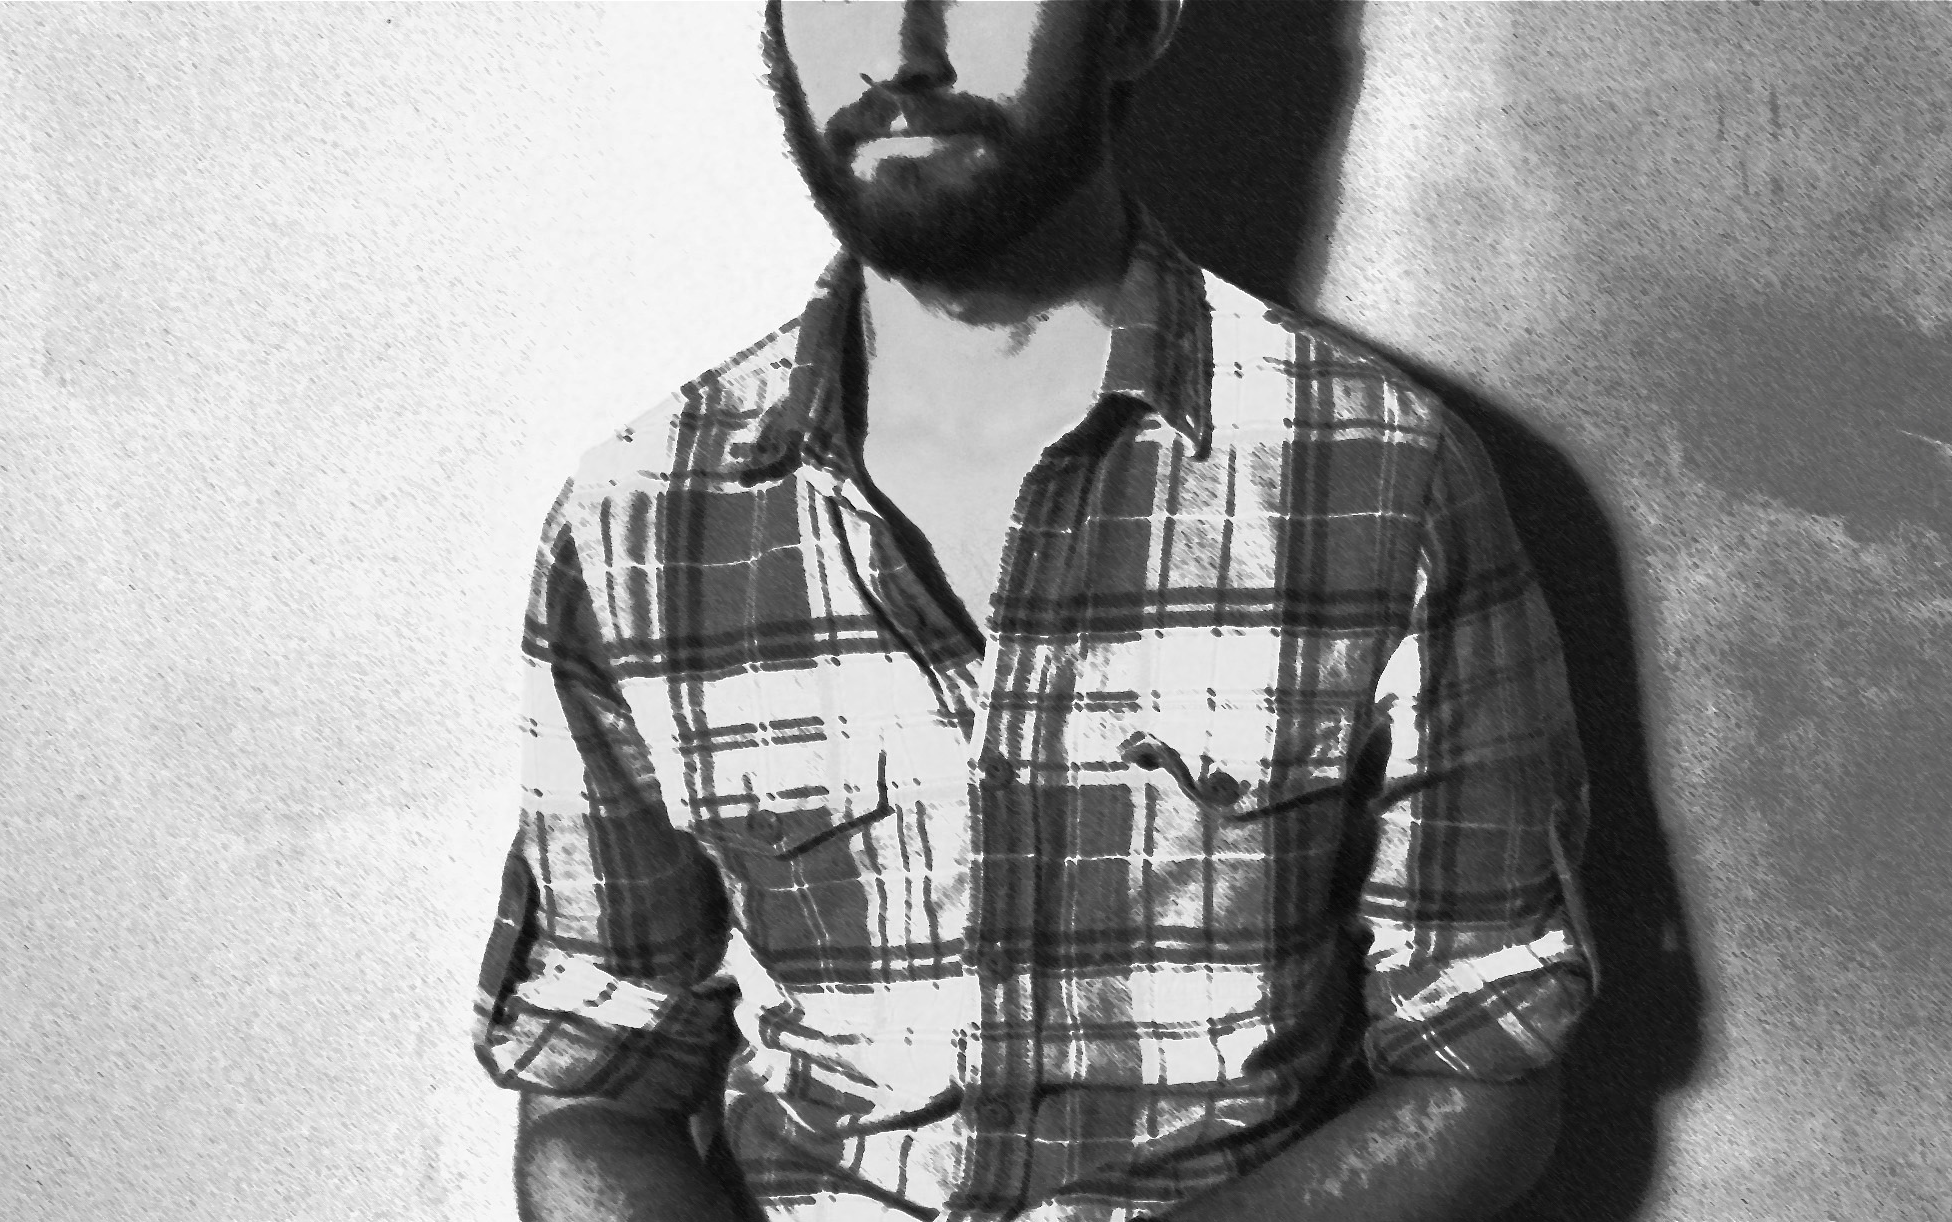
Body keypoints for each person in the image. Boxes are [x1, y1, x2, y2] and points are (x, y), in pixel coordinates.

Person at [471, 3, 1592, 1219]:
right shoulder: (640, 519)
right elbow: (595, 1087)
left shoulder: (1379, 472)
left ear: (1137, 20)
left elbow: (1484, 1065)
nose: (899, 48)